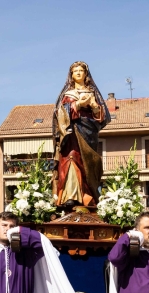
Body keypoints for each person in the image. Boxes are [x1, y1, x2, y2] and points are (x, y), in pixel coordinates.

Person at [52, 61, 111, 207]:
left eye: (81, 70)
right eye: (75, 71)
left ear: (86, 74)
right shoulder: (67, 94)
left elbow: (101, 117)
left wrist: (94, 106)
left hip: (88, 133)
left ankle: (88, 196)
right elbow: (60, 113)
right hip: (71, 133)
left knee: (87, 164)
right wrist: (78, 105)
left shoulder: (92, 93)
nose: (78, 73)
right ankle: (71, 196)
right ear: (71, 75)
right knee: (71, 158)